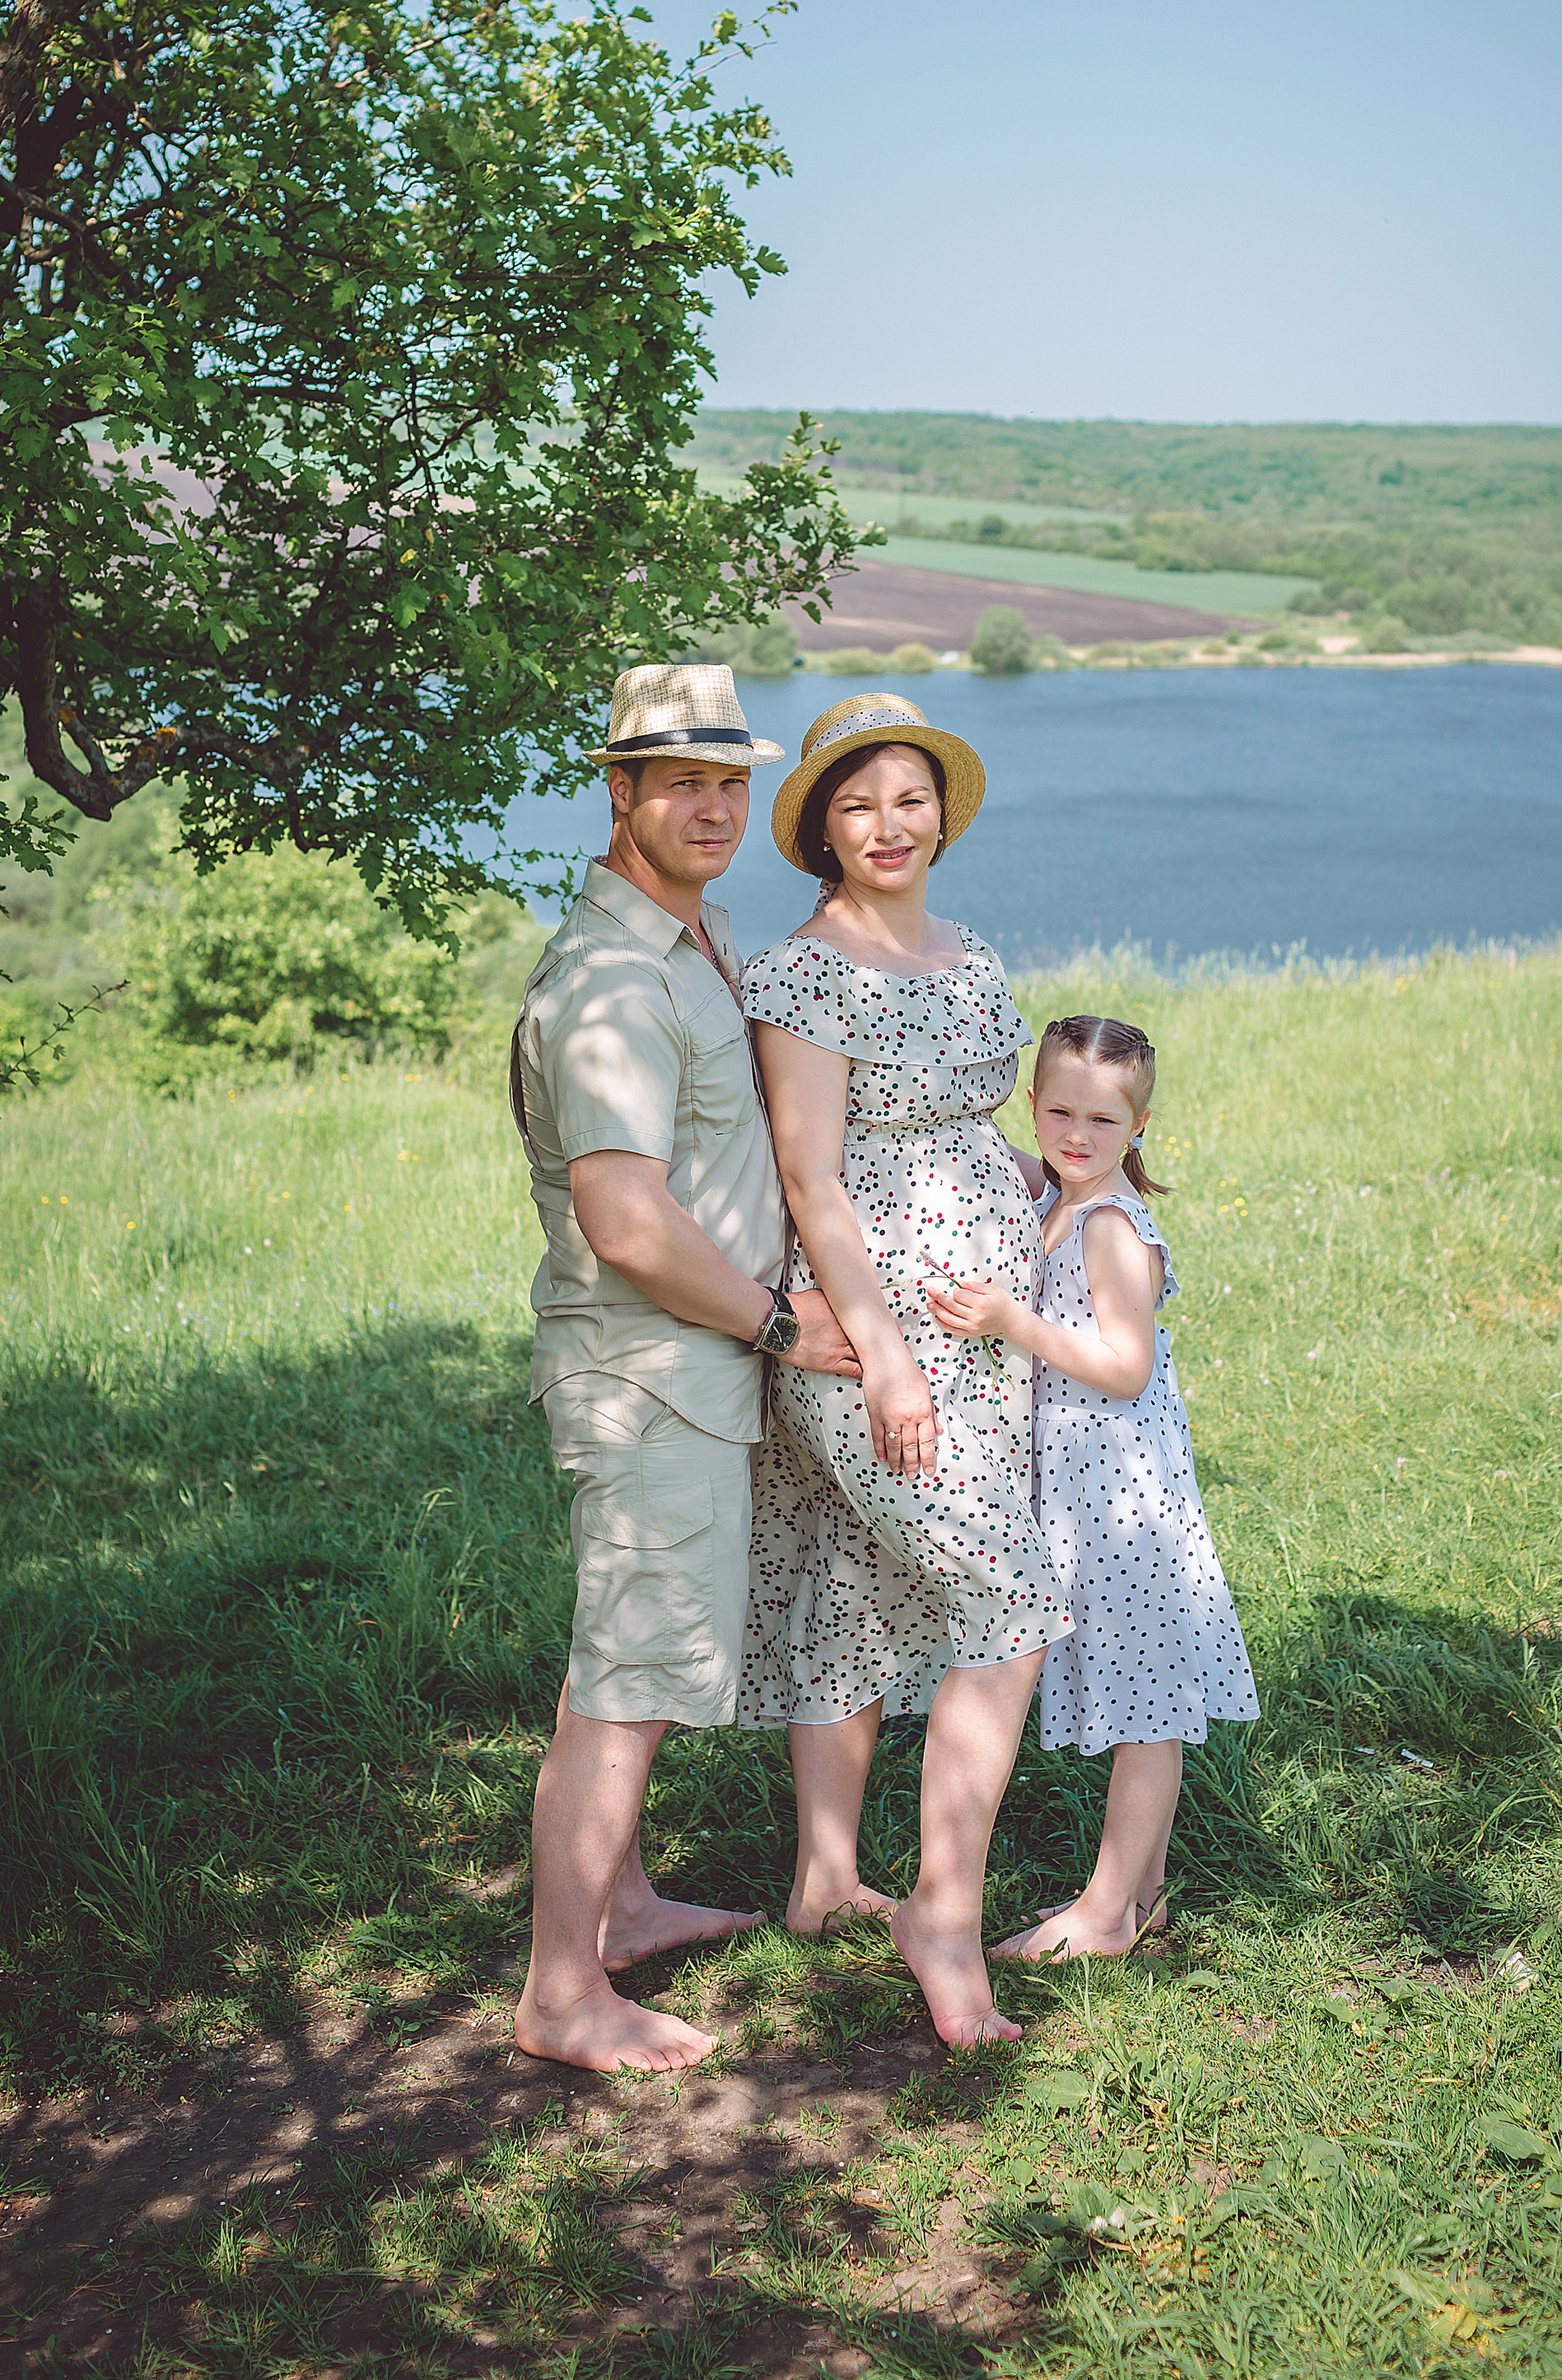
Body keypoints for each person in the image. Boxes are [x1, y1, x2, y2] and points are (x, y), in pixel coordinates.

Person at [508, 663, 861, 2075]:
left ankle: (628, 1905)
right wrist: (781, 1323)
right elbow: (627, 1220)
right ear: (620, 793)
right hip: (653, 1374)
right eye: (683, 784)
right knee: (627, 1682)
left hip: (679, 1369)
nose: (714, 807)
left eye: (732, 781)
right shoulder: (610, 980)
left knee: (622, 1658)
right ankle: (560, 1994)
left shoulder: (686, 937)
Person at [739, 692, 1073, 2050]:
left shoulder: (972, 954)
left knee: (857, 1571)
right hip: (870, 1327)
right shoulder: (801, 976)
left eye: (911, 797)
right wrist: (880, 1357)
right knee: (1007, 1593)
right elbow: (811, 1176)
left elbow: (979, 1122)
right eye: (859, 801)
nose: (890, 823)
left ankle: (826, 1879)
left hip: (983, 1320)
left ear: (943, 812)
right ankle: (944, 1908)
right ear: (822, 826)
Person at [926, 1013, 1259, 1961]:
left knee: (1145, 1705)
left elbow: (1123, 1367)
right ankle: (1141, 1894)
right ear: (1032, 1105)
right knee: (1138, 1689)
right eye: (1059, 1110)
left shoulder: (1110, 1225)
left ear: (1139, 1126)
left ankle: (1108, 1912)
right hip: (1084, 1488)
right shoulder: (1055, 1198)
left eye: (1103, 1122)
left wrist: (1009, 1321)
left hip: (1124, 1493)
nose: (1076, 1135)